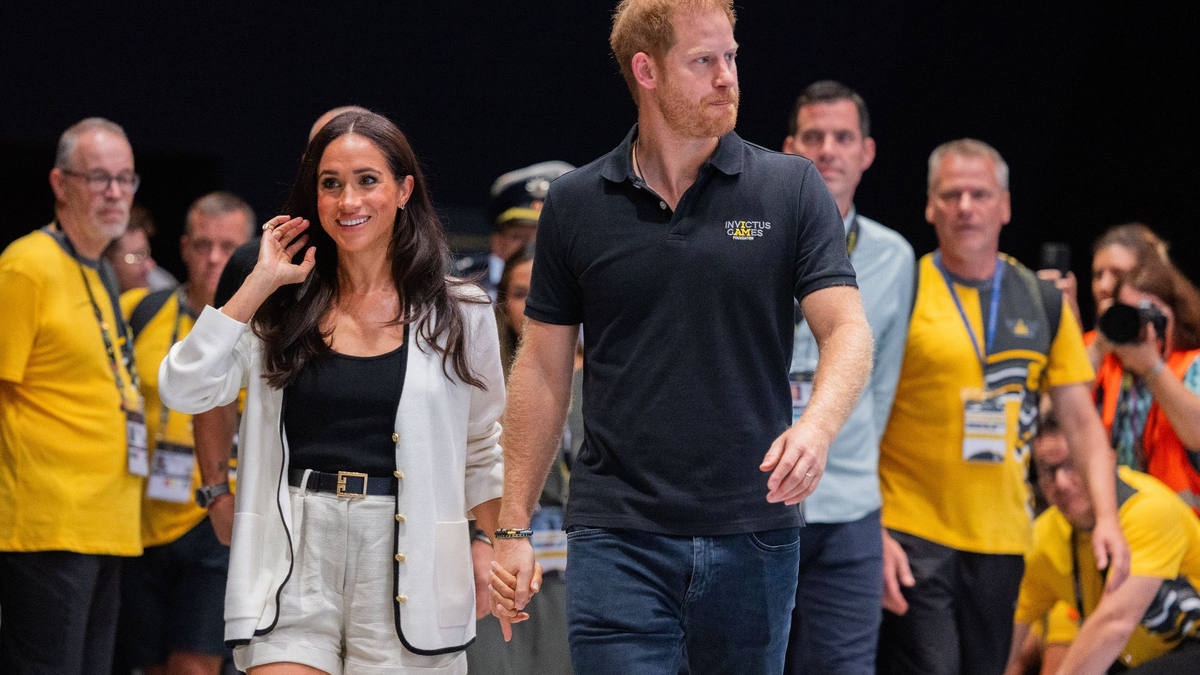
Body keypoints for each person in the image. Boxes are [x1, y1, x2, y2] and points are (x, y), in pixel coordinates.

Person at [491, 2, 875, 674]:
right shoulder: (576, 203)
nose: (727, 76)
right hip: (618, 534)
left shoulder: (789, 188)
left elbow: (846, 326)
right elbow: (544, 372)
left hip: (754, 528)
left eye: (731, 56)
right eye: (704, 61)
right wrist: (514, 524)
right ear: (647, 70)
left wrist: (815, 429)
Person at [159, 110, 514, 674]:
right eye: (331, 184)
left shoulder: (461, 311)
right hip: (291, 551)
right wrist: (256, 284)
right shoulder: (277, 300)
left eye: (367, 180)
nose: (348, 201)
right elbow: (184, 388)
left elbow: (482, 447)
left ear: (404, 190)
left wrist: (503, 542)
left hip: (410, 554)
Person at [876, 138, 1129, 675]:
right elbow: (860, 417)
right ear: (929, 206)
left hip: (1004, 539)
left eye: (979, 194)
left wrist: (1107, 517)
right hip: (910, 530)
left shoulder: (1040, 299)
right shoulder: (903, 288)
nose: (965, 206)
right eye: (951, 195)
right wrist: (869, 530)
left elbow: (1083, 424)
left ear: (1006, 206)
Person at [190, 106, 374, 553]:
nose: (347, 195)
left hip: (394, 517)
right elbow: (208, 385)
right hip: (280, 515)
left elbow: (473, 425)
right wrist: (217, 491)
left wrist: (482, 533)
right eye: (330, 175)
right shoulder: (258, 264)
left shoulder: (422, 274)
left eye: (365, 176)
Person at [780, 80, 915, 674]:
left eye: (843, 137)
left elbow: (880, 387)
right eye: (814, 137)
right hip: (760, 501)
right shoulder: (751, 240)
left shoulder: (894, 256)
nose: (828, 150)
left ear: (867, 152)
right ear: (790, 149)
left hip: (852, 509)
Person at [0, 117, 143, 674]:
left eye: (126, 179)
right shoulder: (25, 267)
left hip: (108, 521)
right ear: (60, 184)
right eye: (99, 178)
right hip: (47, 524)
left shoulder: (103, 273)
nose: (115, 193)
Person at [113, 191, 255, 675]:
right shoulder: (140, 310)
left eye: (228, 247)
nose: (214, 258)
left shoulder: (265, 328)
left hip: (216, 516)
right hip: (141, 517)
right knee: (145, 665)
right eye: (202, 244)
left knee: (195, 665)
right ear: (183, 247)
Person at [1004, 411, 1200, 674]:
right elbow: (1007, 635)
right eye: (1048, 470)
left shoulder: (1149, 510)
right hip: (1136, 658)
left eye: (1073, 463)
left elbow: (1113, 624)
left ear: (1106, 459)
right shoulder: (1044, 537)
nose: (1061, 482)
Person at [468, 243, 577, 675]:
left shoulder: (611, 375)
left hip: (582, 569)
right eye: (519, 293)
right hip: (501, 554)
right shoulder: (483, 380)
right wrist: (481, 539)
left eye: (544, 291)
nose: (532, 306)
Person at [1093, 253, 1200, 512]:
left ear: (1175, 312)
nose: (1141, 325)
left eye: (1148, 312)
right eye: (1129, 312)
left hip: (1184, 528)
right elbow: (1058, 413)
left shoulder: (1192, 364)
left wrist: (1152, 366)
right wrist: (1100, 342)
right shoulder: (1107, 366)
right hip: (1121, 520)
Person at [453, 161, 574, 298]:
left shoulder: (580, 286)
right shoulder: (461, 283)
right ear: (497, 242)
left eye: (546, 238)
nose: (533, 248)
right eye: (521, 237)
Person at [104, 203, 178, 293]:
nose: (150, 265)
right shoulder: (88, 295)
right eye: (137, 257)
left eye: (147, 254)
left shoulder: (163, 288)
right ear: (108, 263)